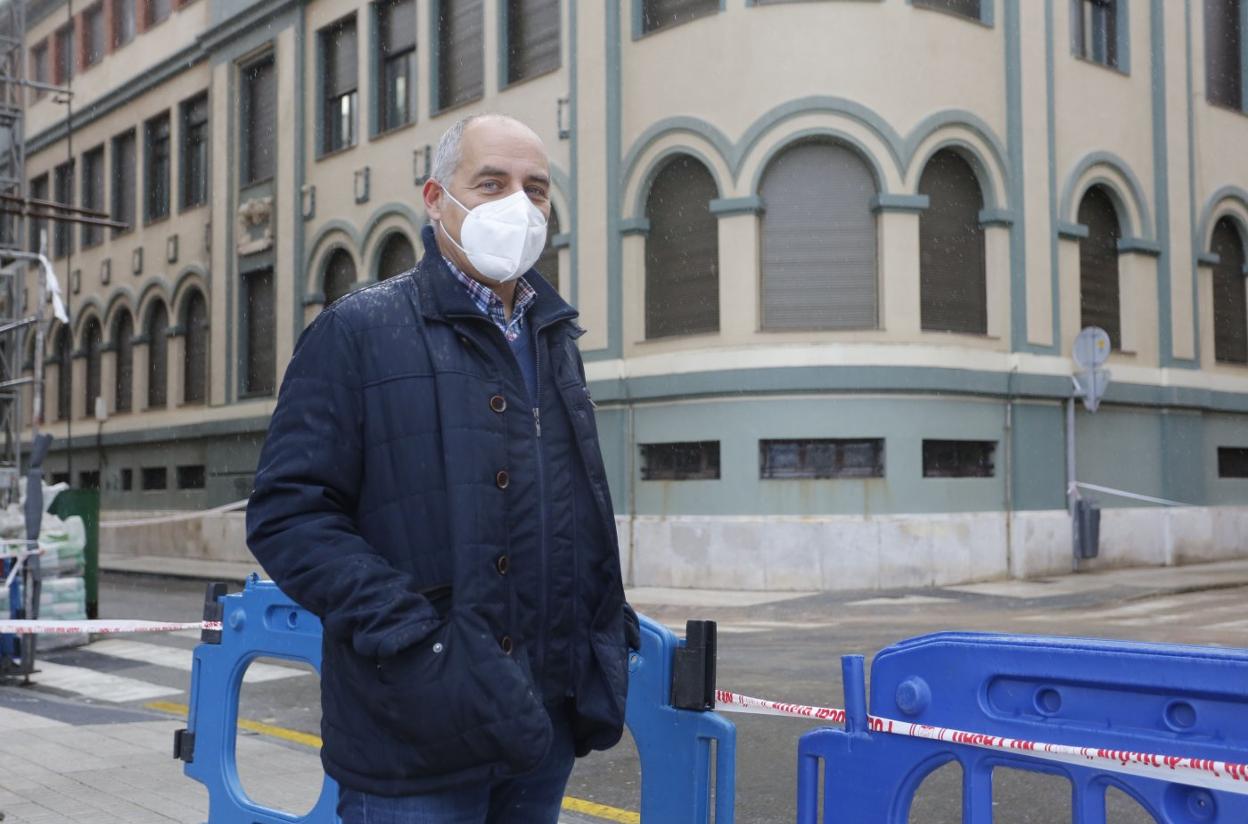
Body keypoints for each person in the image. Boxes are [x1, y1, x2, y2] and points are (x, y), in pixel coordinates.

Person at [246, 113, 639, 824]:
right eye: (491, 183)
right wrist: (419, 642)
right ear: (435, 199)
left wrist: (602, 628)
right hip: (414, 733)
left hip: (539, 724)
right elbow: (289, 516)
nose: (517, 205)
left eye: (536, 189)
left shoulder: (555, 338)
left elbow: (568, 503)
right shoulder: (359, 330)